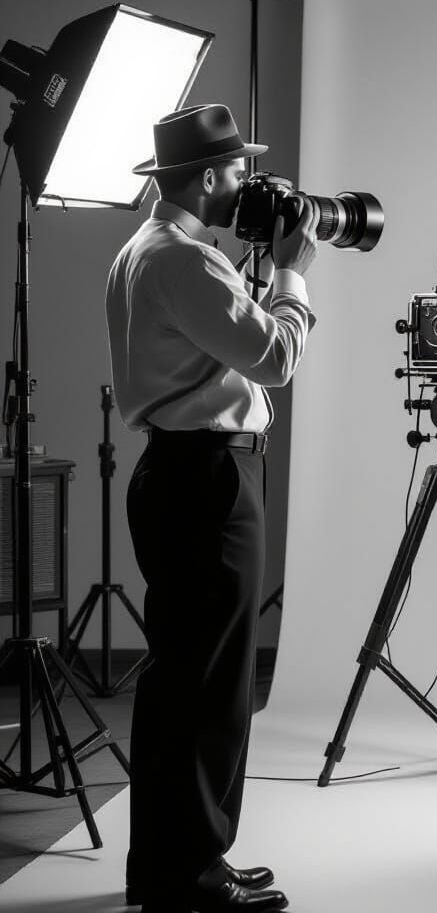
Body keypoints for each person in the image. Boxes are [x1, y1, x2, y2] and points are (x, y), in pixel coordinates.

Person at [106, 104, 318, 913]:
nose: (247, 184)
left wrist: (260, 274)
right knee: (211, 683)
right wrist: (293, 272)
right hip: (210, 480)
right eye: (236, 171)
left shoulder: (149, 249)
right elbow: (275, 356)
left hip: (179, 472)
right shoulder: (185, 261)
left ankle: (166, 867)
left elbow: (225, 341)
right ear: (204, 179)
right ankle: (193, 869)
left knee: (181, 677)